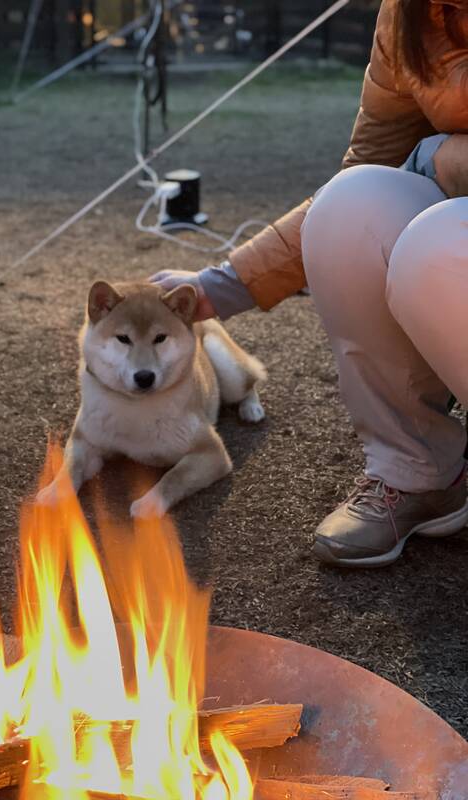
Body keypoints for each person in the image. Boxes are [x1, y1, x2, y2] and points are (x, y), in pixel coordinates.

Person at [150, 0, 468, 569]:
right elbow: (370, 164)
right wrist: (221, 286)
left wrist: (445, 160)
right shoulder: (411, 12)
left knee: (438, 240)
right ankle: (418, 471)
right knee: (354, 205)